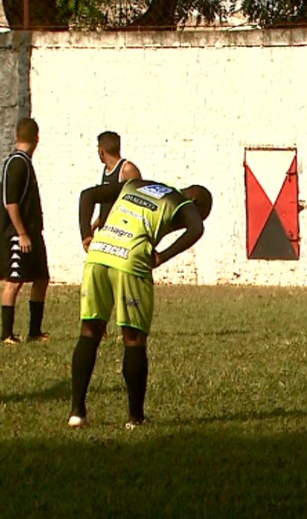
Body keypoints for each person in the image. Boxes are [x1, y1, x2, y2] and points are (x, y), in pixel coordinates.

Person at [69, 179, 213, 429]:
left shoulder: (136, 184)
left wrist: (86, 235)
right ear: (196, 202)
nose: (176, 227)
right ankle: (135, 417)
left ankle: (77, 412)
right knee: (133, 338)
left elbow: (87, 194)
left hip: (99, 252)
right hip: (131, 259)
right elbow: (197, 228)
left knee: (90, 331)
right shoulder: (181, 202)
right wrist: (162, 256)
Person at [0, 118, 50, 345]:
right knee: (14, 281)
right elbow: (11, 202)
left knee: (41, 278)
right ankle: (6, 334)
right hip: (19, 233)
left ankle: (35, 331)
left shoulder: (26, 162)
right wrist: (21, 233)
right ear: (37, 139)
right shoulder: (16, 163)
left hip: (33, 232)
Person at [91, 131, 141, 230]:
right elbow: (108, 205)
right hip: (105, 231)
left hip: (120, 232)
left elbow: (139, 202)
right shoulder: (107, 170)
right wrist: (95, 225)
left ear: (101, 151)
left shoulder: (127, 169)